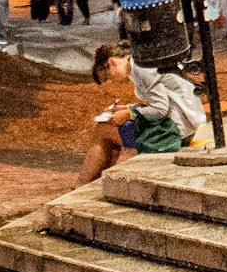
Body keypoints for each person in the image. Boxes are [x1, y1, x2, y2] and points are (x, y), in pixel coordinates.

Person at [79, 41, 206, 183]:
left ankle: (82, 183)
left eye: (107, 76)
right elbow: (162, 102)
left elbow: (160, 109)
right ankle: (96, 181)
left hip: (175, 132)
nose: (111, 80)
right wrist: (127, 108)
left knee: (103, 130)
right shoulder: (140, 64)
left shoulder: (142, 69)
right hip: (186, 126)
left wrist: (129, 113)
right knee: (109, 132)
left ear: (112, 62)